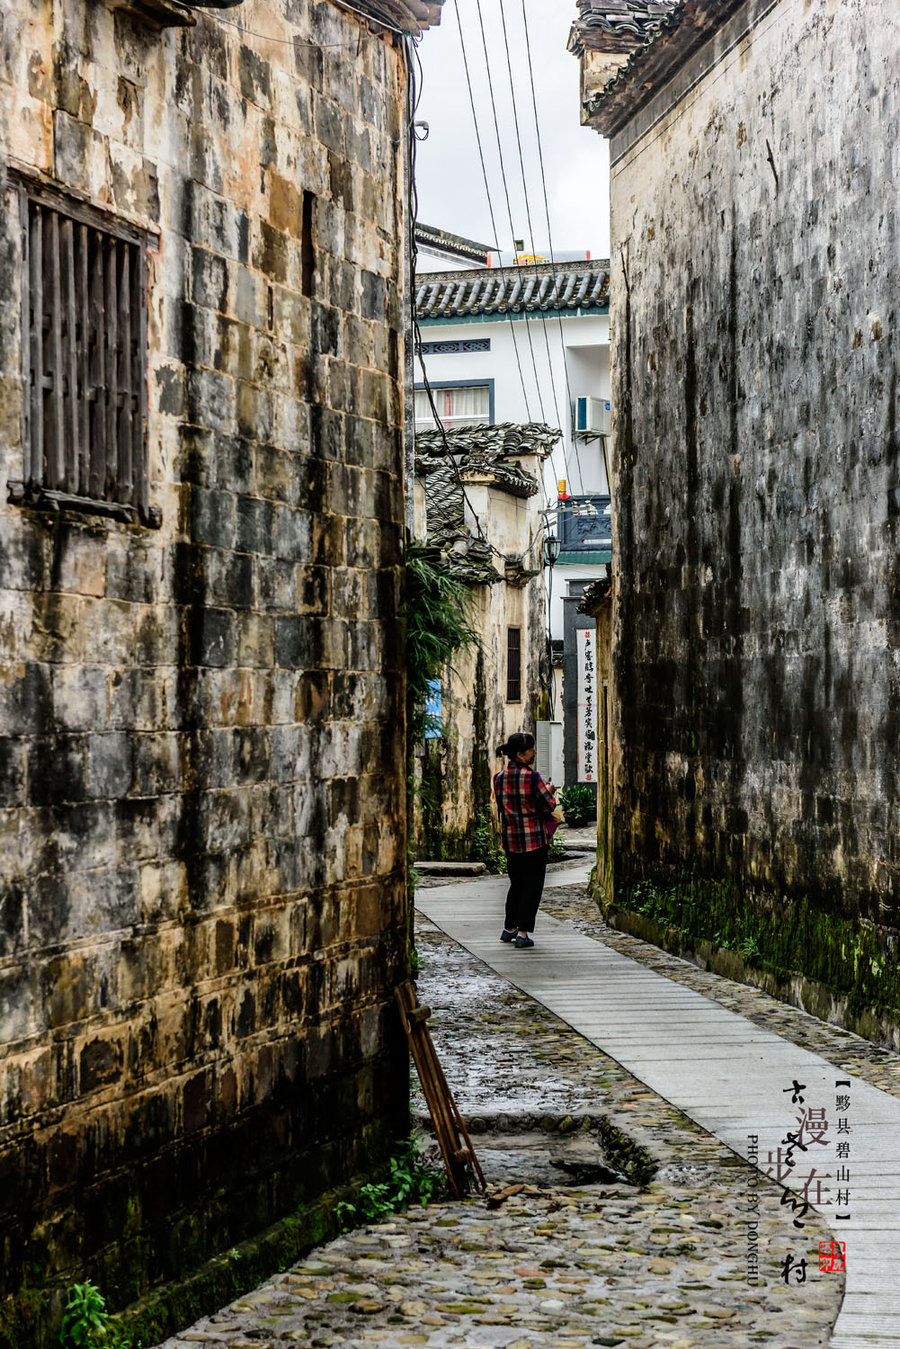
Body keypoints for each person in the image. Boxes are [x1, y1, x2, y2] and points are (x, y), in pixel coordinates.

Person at [492, 732, 558, 949]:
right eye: (531, 749)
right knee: (532, 886)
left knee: (516, 884)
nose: (534, 752)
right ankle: (522, 932)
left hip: (511, 840)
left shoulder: (499, 778)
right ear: (520, 754)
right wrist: (550, 792)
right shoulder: (533, 778)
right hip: (534, 840)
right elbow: (548, 805)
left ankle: (509, 927)